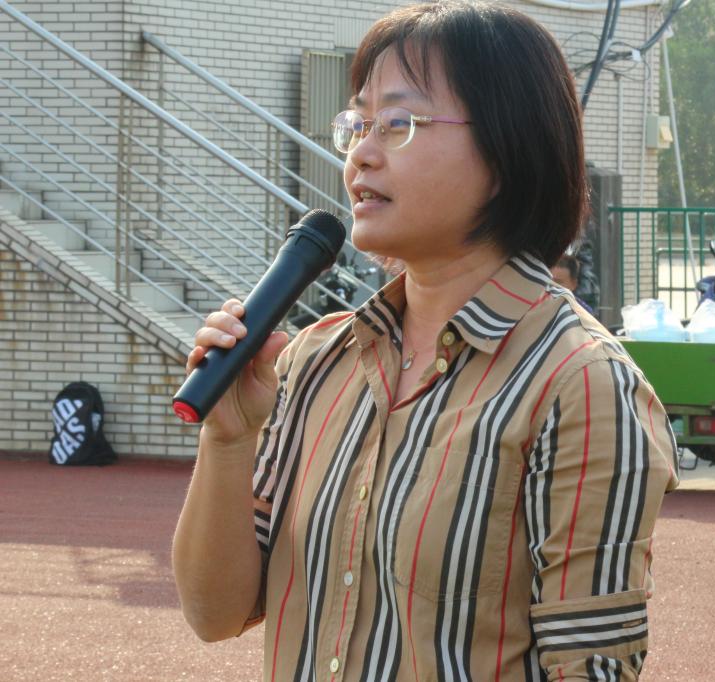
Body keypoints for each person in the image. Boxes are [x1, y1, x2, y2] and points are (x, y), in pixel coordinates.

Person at [172, 2, 678, 680]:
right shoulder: (314, 359)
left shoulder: (579, 381)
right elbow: (215, 614)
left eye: (399, 123)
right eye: (358, 124)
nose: (361, 153)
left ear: (505, 151)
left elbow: (591, 668)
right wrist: (229, 439)